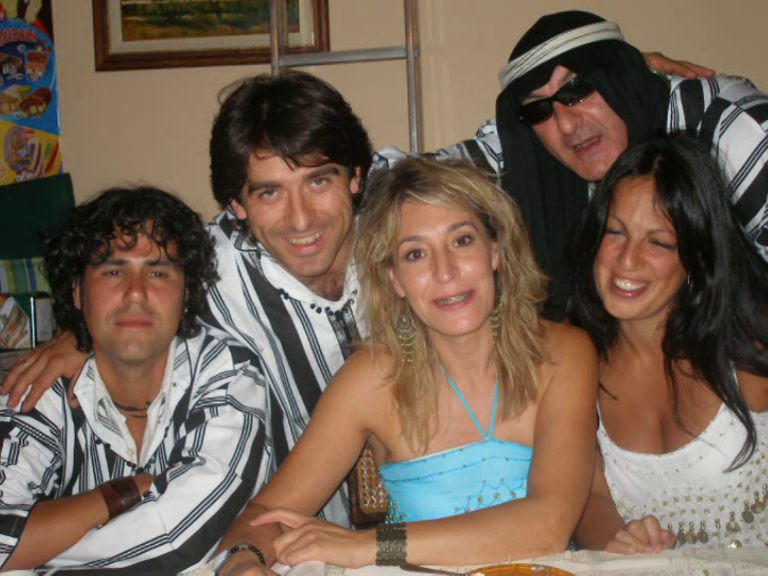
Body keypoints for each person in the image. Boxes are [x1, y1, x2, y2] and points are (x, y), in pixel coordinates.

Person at [1, 71, 373, 529]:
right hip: (288, 539)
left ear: (356, 176)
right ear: (237, 205)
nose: (301, 220)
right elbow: (126, 283)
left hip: (430, 523)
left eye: (318, 182)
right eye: (270, 192)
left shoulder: (414, 224)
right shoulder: (204, 268)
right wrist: (78, 334)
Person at [214, 158, 597, 574]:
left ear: (495, 250)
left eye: (462, 240)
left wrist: (370, 546)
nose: (445, 272)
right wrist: (243, 562)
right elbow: (265, 513)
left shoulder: (563, 354)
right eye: (415, 254)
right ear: (394, 278)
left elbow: (548, 526)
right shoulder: (372, 378)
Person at [374, 10, 767, 321]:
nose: (564, 124)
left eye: (577, 89)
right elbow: (386, 177)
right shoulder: (534, 148)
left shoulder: (731, 128)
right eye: (538, 108)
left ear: (619, 76)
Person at [0, 187, 269, 572]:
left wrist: (32, 553)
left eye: (157, 272)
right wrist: (120, 494)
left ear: (186, 293)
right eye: (113, 271)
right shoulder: (38, 388)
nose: (136, 293)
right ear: (77, 292)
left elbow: (180, 537)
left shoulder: (227, 372)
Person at [569, 134, 768, 553]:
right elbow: (590, 498)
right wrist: (622, 545)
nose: (627, 260)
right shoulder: (575, 362)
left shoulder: (750, 346)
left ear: (696, 256)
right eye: (615, 232)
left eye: (657, 242)